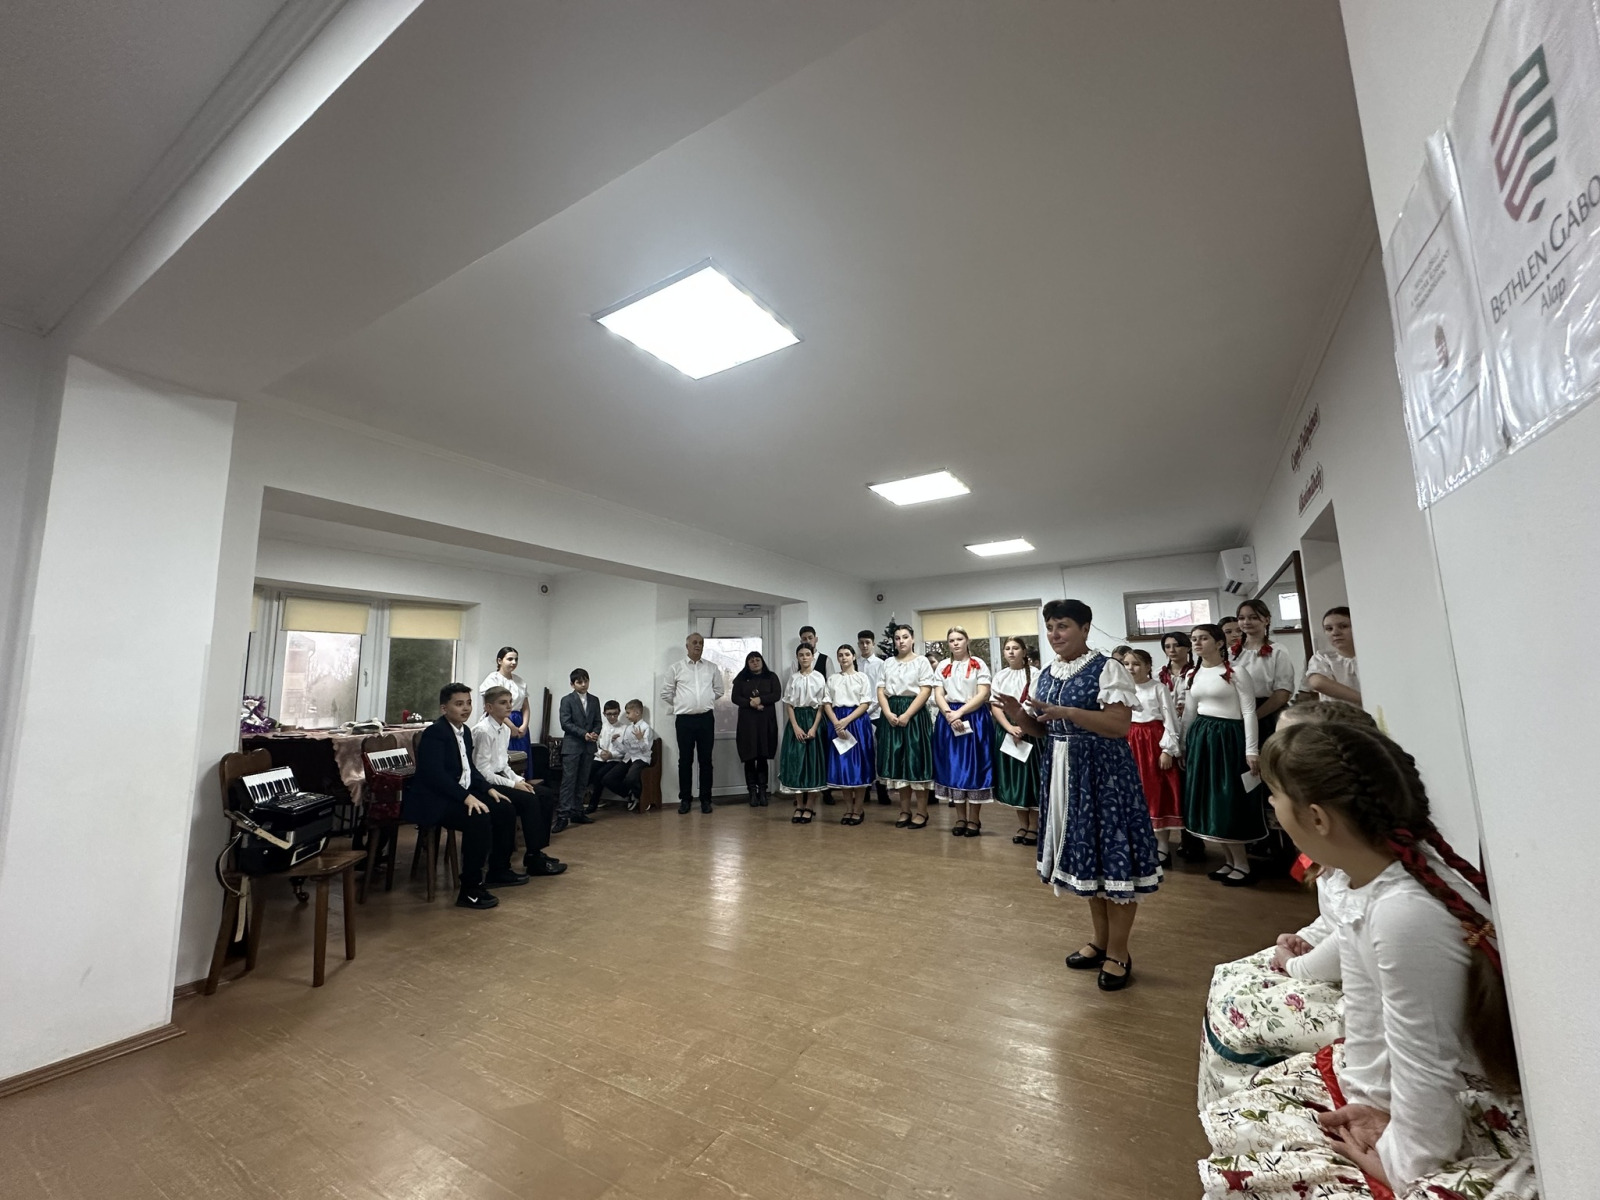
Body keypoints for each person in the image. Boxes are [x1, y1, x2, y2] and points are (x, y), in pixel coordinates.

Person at [1199, 721, 1528, 1200]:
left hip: (1461, 1110)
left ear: (1317, 818)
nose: (1270, 805)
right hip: (1418, 1098)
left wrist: (1397, 1162)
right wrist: (1366, 1100)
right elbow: (1369, 1014)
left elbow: (1426, 1067)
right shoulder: (1373, 884)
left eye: (1275, 796)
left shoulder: (1403, 913)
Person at [1197, 700, 1375, 1107]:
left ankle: (1243, 1102)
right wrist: (1305, 937)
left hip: (1361, 1008)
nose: (1272, 801)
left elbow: (1349, 936)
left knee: (1237, 1008)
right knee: (1229, 978)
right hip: (1337, 968)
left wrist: (1296, 964)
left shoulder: (1368, 879)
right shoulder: (1340, 853)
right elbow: (1332, 921)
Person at [997, 599, 1160, 992]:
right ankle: (1100, 942)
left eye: (1063, 626)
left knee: (1114, 861)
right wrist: (1019, 715)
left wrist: (1068, 711)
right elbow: (1043, 729)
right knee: (1091, 861)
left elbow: (1118, 725)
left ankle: (1119, 952)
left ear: (1085, 628)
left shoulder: (1108, 668)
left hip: (1104, 775)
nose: (1055, 634)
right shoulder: (1048, 672)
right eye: (1050, 627)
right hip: (1063, 773)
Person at [403, 682, 525, 910]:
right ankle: (469, 889)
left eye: (468, 703)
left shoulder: (465, 732)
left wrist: (488, 789)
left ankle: (499, 870)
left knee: (503, 807)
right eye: (459, 704)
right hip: (437, 800)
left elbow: (469, 768)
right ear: (444, 708)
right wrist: (465, 797)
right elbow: (435, 775)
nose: (466, 708)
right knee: (478, 818)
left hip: (459, 793)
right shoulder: (435, 733)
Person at [1179, 623, 1261, 886]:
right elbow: (1189, 713)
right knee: (1210, 799)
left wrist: (1252, 749)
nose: (1197, 643)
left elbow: (1249, 712)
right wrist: (1183, 745)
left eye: (1203, 638)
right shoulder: (1192, 674)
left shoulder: (1236, 672)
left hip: (1228, 739)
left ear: (1219, 643)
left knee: (1228, 799)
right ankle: (1228, 861)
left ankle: (1242, 864)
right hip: (1202, 738)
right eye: (1194, 639)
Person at [473, 686, 566, 877]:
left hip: (501, 777)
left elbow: (503, 764)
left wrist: (519, 780)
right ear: (489, 707)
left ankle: (534, 854)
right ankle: (515, 862)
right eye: (503, 703)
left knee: (544, 794)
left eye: (509, 702)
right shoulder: (483, 731)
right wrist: (513, 785)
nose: (509, 706)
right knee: (529, 799)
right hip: (485, 784)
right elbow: (483, 772)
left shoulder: (504, 729)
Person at [931, 625, 995, 836]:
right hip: (949, 719)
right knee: (954, 767)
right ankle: (960, 818)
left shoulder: (978, 664)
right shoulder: (942, 666)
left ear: (967, 641)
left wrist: (960, 713)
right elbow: (938, 694)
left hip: (974, 718)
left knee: (975, 767)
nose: (955, 643)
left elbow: (983, 693)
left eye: (959, 639)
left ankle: (974, 819)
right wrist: (950, 714)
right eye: (951, 640)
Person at [1124, 649, 1183, 866]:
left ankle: (1162, 845)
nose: (1131, 668)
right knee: (1133, 794)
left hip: (1152, 744)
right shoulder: (1122, 690)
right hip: (1129, 743)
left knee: (1156, 793)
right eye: (1127, 664)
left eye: (1136, 664)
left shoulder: (1158, 688)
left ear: (1148, 666)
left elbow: (1170, 719)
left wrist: (1167, 750)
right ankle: (1140, 843)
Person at [876, 623, 936, 829]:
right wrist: (887, 712)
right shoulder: (888, 663)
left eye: (904, 637)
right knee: (899, 762)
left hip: (914, 714)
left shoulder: (921, 662)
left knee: (916, 761)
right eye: (897, 638)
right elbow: (881, 690)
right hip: (892, 713)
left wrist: (908, 714)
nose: (900, 641)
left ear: (912, 639)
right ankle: (904, 810)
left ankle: (922, 812)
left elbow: (925, 690)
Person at [661, 632, 724, 814]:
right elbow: (666, 693)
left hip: (706, 719)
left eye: (701, 643)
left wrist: (705, 700)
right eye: (695, 642)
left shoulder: (711, 668)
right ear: (687, 646)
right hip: (684, 720)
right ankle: (685, 799)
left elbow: (719, 690)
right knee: (685, 761)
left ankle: (706, 799)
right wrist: (681, 703)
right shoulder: (676, 668)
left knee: (706, 761)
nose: (698, 645)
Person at [989, 635, 1040, 845]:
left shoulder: (1035, 674)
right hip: (1008, 730)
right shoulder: (1000, 676)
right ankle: (1022, 824)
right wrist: (1010, 728)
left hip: (1030, 729)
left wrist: (1024, 725)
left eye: (1016, 648)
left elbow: (1036, 703)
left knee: (1031, 779)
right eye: (1007, 648)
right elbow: (995, 706)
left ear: (1024, 652)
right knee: (1016, 778)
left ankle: (1034, 826)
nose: (1011, 651)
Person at [1232, 598, 1297, 741]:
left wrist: (1253, 717)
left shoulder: (1278, 651)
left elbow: (1282, 693)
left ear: (1266, 620)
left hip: (1267, 712)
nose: (1246, 622)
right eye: (1241, 618)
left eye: (1253, 617)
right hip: (1237, 712)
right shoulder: (1232, 652)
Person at [825, 644, 876, 825]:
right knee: (843, 766)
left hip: (857, 722)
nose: (844, 658)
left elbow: (865, 703)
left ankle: (858, 808)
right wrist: (836, 723)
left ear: (853, 657)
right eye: (840, 655)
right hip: (837, 722)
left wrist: (846, 721)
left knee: (858, 766)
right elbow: (827, 702)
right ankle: (848, 808)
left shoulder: (862, 677)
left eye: (847, 654)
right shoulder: (832, 679)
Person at [779, 644, 829, 822]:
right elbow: (789, 704)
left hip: (814, 720)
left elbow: (822, 705)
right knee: (796, 762)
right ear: (797, 658)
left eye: (808, 654)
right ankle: (799, 805)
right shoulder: (793, 678)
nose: (805, 657)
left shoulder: (819, 677)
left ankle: (809, 806)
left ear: (812, 657)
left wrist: (814, 727)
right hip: (797, 721)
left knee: (813, 763)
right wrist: (795, 726)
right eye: (801, 655)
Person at [730, 650, 781, 806]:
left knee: (762, 756)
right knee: (750, 757)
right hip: (748, 724)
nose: (755, 663)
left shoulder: (771, 677)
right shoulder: (741, 678)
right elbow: (735, 697)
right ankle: (752, 792)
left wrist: (760, 699)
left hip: (765, 722)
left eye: (757, 660)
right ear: (747, 664)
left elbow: (776, 694)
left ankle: (763, 791)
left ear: (762, 661)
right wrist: (750, 703)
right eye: (751, 660)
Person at [555, 668, 601, 831]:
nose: (583, 684)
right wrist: (584, 734)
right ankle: (562, 816)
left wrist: (595, 733)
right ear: (572, 684)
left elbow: (598, 721)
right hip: (572, 746)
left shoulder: (594, 700)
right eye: (579, 682)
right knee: (568, 781)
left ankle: (577, 812)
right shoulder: (567, 700)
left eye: (585, 681)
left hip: (588, 747)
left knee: (583, 781)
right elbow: (565, 723)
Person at [479, 647, 533, 779]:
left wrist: (524, 725)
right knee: (503, 757)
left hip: (519, 720)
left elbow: (525, 706)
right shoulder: (493, 679)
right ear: (500, 661)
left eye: (516, 659)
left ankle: (521, 782)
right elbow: (495, 708)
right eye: (510, 659)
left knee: (521, 758)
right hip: (502, 720)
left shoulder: (520, 681)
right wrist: (511, 726)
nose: (514, 662)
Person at [856, 630, 891, 805]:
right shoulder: (854, 663)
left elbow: (881, 691)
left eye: (867, 642)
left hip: (876, 714)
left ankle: (882, 790)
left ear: (873, 643)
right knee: (863, 752)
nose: (864, 646)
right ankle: (865, 789)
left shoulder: (880, 664)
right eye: (861, 642)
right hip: (858, 715)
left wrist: (867, 710)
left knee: (879, 753)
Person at [1305, 606, 1360, 705]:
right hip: (1338, 714)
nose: (1335, 633)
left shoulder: (1372, 657)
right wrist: (1365, 700)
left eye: (1343, 626)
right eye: (1329, 629)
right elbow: (1318, 683)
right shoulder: (1322, 658)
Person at [586, 700, 627, 812]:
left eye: (615, 713)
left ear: (619, 712)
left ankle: (593, 804)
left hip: (615, 759)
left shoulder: (625, 728)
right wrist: (600, 753)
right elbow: (595, 744)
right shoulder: (600, 727)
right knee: (587, 772)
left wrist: (612, 754)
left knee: (599, 775)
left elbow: (626, 749)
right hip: (599, 757)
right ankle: (580, 800)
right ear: (604, 714)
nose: (612, 717)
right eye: (609, 714)